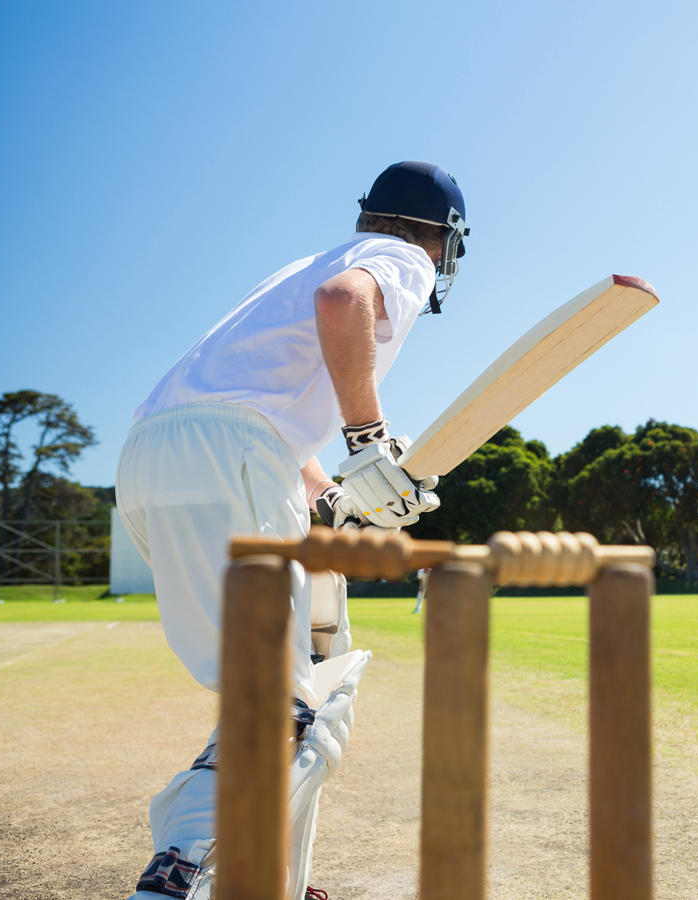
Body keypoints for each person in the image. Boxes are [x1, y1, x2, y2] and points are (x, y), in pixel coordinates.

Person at [115, 161, 468, 900]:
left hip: (155, 457)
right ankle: (179, 874)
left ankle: (271, 881)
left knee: (283, 682)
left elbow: (273, 415)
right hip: (232, 458)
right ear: (442, 236)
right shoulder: (398, 257)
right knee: (283, 707)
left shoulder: (305, 262)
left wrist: (334, 496)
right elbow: (343, 305)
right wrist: (371, 441)